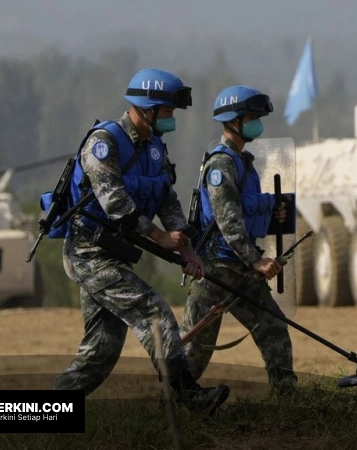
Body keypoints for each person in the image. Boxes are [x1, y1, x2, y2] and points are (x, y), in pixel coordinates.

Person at [51, 68, 230, 415]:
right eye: (168, 112)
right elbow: (114, 201)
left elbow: (167, 199)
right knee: (153, 311)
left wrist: (186, 248)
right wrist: (161, 237)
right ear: (147, 108)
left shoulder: (154, 148)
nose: (172, 119)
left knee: (100, 352)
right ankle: (187, 397)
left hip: (115, 253)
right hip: (89, 252)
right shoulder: (103, 143)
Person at [179, 85, 298, 395]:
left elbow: (245, 211)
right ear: (233, 120)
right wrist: (256, 261)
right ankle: (174, 403)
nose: (257, 122)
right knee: (197, 344)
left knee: (273, 328)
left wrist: (275, 212)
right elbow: (227, 218)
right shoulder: (221, 164)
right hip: (216, 268)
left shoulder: (242, 161)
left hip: (239, 266)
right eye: (251, 117)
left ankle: (288, 397)